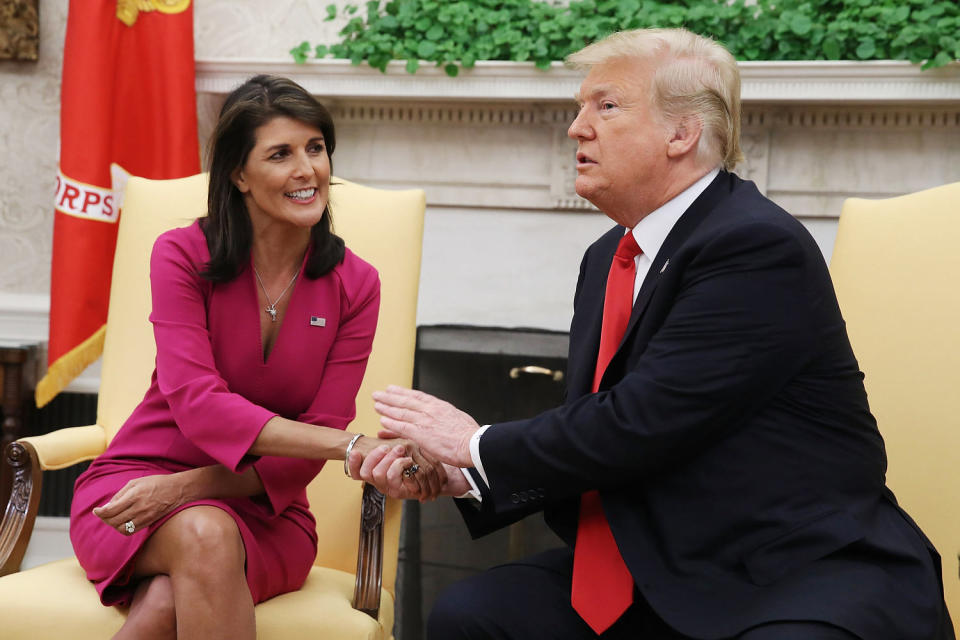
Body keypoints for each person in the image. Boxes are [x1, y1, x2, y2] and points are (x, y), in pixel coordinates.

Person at [357, 29, 954, 640]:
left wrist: (475, 443)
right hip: (662, 565)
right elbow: (594, 428)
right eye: (579, 106)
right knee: (475, 614)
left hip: (788, 569)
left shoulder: (753, 245)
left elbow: (640, 421)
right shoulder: (608, 256)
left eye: (605, 106)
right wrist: (470, 474)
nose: (577, 127)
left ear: (681, 133)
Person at [69, 75, 442, 640]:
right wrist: (355, 447)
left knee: (192, 556)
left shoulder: (356, 284)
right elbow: (199, 407)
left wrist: (187, 488)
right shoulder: (181, 254)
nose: (307, 170)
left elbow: (309, 445)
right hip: (134, 486)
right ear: (239, 175)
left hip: (267, 511)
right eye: (281, 154)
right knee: (200, 544)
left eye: (315, 148)